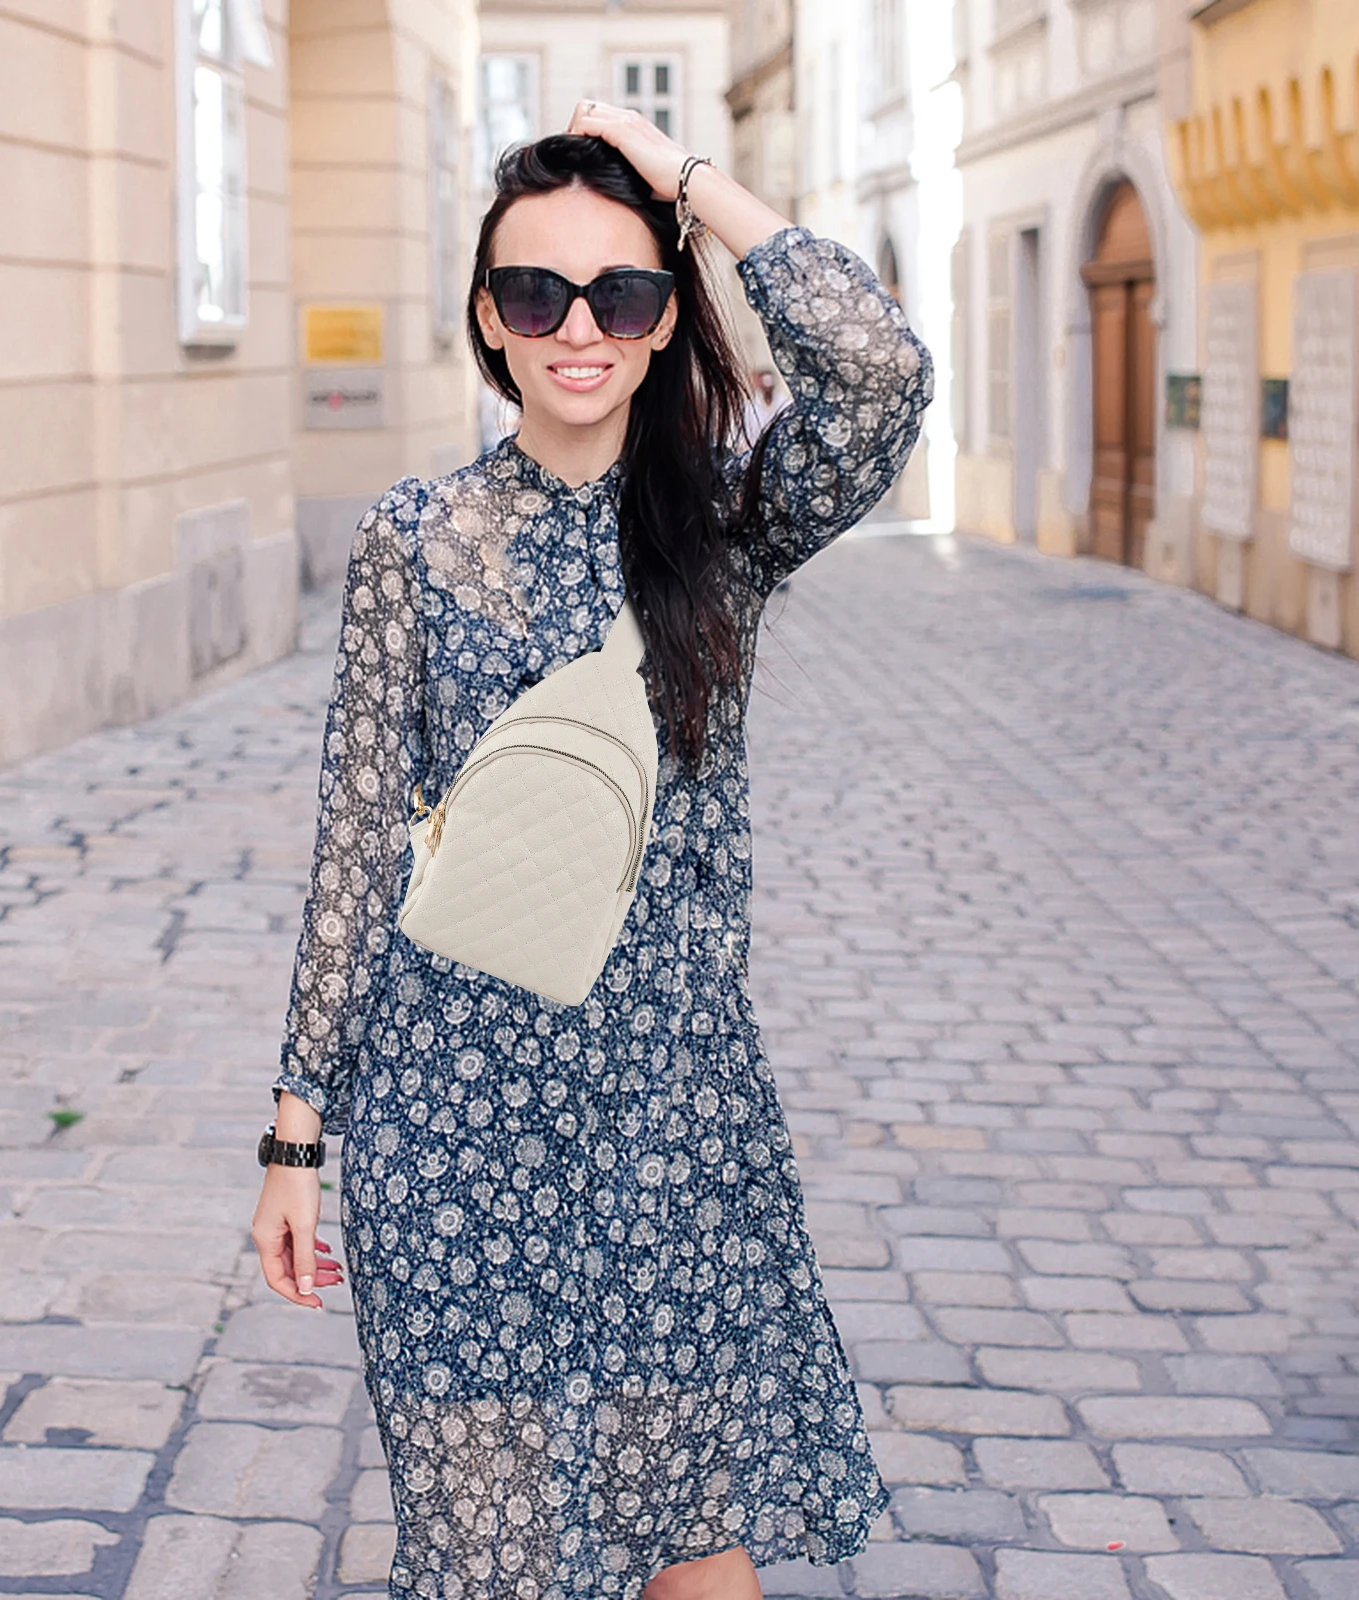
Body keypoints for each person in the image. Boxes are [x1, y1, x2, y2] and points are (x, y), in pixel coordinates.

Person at [251, 101, 933, 1600]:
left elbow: (882, 370)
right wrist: (299, 1126)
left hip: (670, 1118)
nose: (578, 327)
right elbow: (359, 834)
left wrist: (686, 181)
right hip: (453, 1118)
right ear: (487, 321)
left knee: (692, 1540)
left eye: (619, 292)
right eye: (533, 293)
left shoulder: (727, 526)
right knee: (485, 1553)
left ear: (667, 310)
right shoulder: (413, 538)